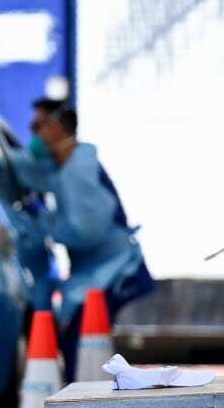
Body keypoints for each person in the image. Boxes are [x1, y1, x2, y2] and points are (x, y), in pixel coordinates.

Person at [15, 100, 155, 382]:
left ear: (55, 127)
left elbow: (85, 231)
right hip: (94, 272)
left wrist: (45, 222)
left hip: (113, 271)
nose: (33, 135)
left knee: (85, 342)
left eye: (36, 127)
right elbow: (33, 172)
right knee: (89, 344)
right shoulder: (65, 166)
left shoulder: (79, 169)